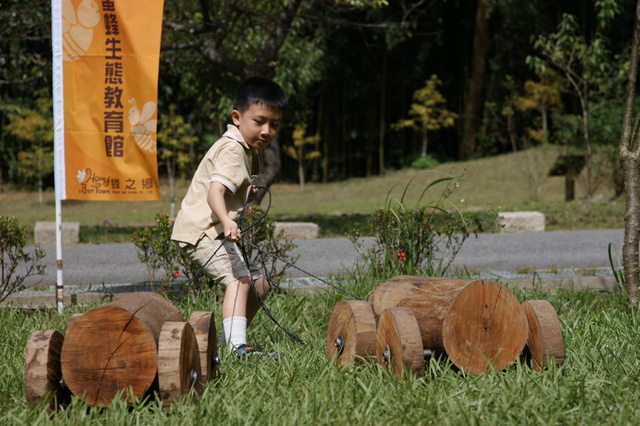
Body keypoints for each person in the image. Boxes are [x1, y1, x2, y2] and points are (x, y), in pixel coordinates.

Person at [171, 77, 287, 359]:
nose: (267, 130)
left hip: (210, 230)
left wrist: (245, 194)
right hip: (202, 230)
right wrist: (227, 220)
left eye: (274, 124)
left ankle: (226, 341)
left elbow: (226, 189)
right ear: (237, 117)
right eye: (259, 121)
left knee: (260, 285)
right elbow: (215, 193)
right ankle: (238, 348)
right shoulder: (233, 149)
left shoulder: (244, 149)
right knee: (239, 281)